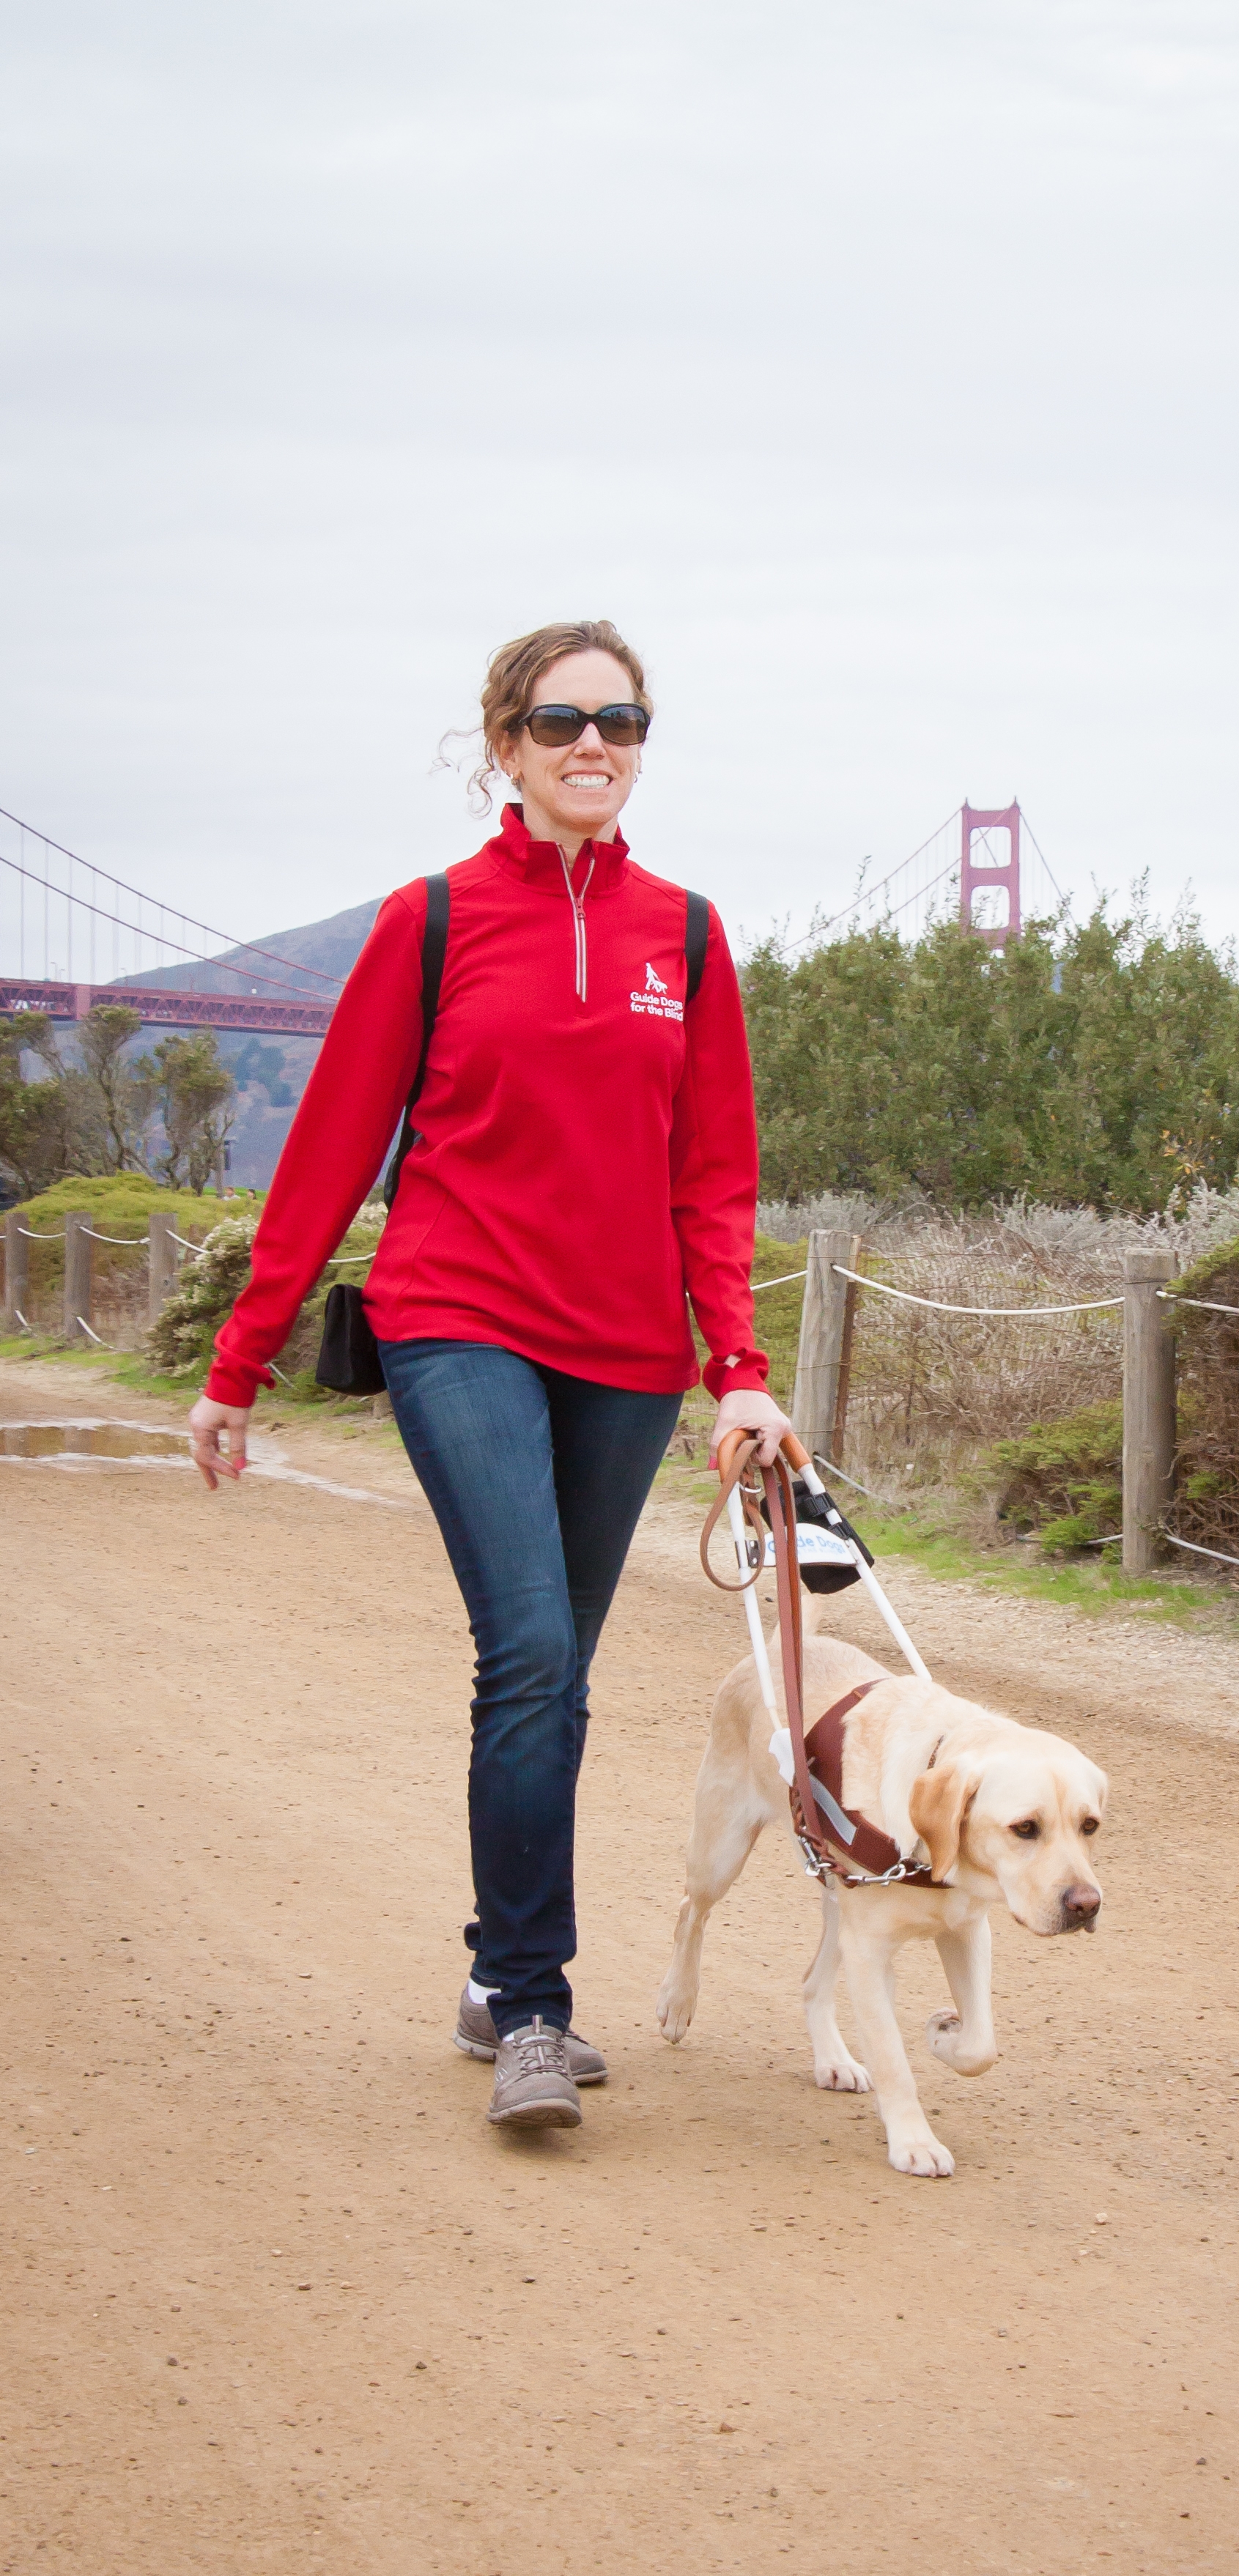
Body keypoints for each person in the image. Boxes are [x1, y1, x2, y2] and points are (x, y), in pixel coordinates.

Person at [188, 619, 793, 2131]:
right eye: (560, 719)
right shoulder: (434, 920)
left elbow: (711, 1180)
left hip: (626, 1351)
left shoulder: (690, 936)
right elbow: (330, 1152)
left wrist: (737, 1368)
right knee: (525, 1650)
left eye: (623, 720)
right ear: (504, 745)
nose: (595, 743)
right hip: (454, 1317)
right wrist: (239, 1359)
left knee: (560, 1676)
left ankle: (488, 1970)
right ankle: (532, 2003)